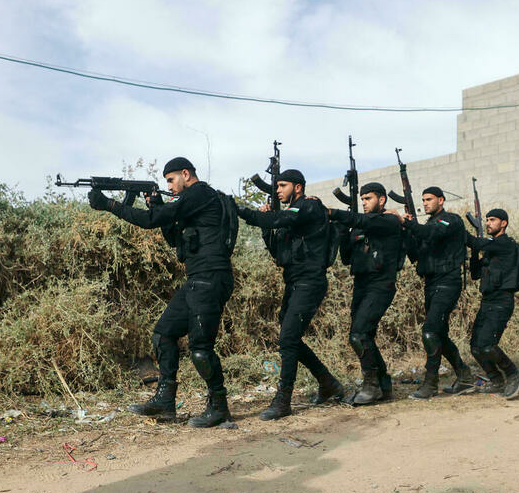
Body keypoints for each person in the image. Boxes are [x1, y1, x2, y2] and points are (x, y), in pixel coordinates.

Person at [90, 157, 236, 428]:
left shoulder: (200, 193)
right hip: (197, 279)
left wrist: (111, 205)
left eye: (171, 180)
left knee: (201, 350)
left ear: (185, 174)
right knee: (164, 334)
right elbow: (173, 238)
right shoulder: (190, 203)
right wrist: (156, 204)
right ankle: (165, 402)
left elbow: (149, 221)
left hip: (211, 278)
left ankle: (219, 407)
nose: (170, 185)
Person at [236, 169, 342, 419]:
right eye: (277, 186)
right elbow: (277, 252)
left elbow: (280, 220)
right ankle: (329, 383)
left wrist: (242, 210)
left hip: (310, 281)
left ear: (298, 187)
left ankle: (283, 400)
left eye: (282, 185)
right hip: (293, 281)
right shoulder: (289, 217)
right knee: (289, 338)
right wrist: (265, 226)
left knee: (288, 339)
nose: (278, 190)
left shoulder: (309, 206)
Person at [394, 186, 475, 398]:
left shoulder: (451, 220)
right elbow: (415, 253)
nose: (425, 203)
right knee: (439, 333)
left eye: (429, 199)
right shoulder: (428, 224)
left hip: (448, 283)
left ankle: (430, 385)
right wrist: (406, 231)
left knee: (430, 331)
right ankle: (465, 376)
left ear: (441, 200)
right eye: (423, 200)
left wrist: (408, 223)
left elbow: (431, 232)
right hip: (431, 284)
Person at [326, 182, 403, 406]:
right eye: (362, 199)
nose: (364, 203)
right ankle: (383, 384)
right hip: (361, 284)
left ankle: (371, 386)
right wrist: (341, 230)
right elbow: (347, 258)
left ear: (382, 200)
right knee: (362, 335)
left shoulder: (388, 221)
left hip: (381, 285)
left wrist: (333, 212)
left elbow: (363, 220)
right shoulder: (360, 227)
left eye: (368, 198)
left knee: (359, 335)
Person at [463, 208, 519, 398]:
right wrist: (474, 253)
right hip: (487, 301)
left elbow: (476, 241)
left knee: (488, 344)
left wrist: (459, 231)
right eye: (487, 220)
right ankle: (496, 379)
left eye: (492, 220)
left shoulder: (505, 244)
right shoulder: (491, 249)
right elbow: (475, 274)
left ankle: (514, 373)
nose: (488, 223)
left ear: (503, 223)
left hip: (502, 301)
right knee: (476, 346)